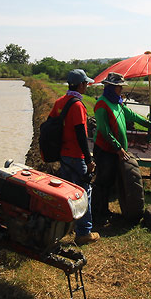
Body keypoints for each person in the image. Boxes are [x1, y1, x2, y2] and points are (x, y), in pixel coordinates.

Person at [92, 72, 151, 227]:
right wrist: (118, 148)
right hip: (106, 150)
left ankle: (105, 211)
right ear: (111, 87)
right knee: (102, 182)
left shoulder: (118, 103)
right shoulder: (102, 104)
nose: (121, 90)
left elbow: (132, 115)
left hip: (115, 150)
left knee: (111, 180)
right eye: (120, 87)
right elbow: (104, 131)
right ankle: (98, 213)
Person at [48, 69, 99, 244]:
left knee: (68, 193)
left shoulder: (59, 102)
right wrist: (89, 159)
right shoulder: (77, 105)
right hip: (76, 157)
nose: (87, 87)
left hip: (63, 155)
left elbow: (50, 125)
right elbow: (80, 135)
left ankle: (68, 226)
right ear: (81, 84)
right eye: (86, 84)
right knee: (84, 193)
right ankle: (84, 232)